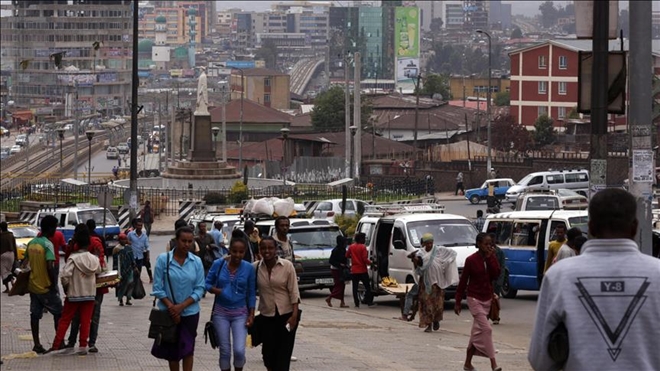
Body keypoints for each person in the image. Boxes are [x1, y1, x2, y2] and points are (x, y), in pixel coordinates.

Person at [529, 188, 660, 370]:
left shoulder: (559, 276)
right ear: (635, 227)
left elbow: (540, 360)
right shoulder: (657, 274)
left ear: (590, 227)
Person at [151, 226, 205, 371]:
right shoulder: (164, 259)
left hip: (190, 313)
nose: (186, 244)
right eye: (183, 241)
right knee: (171, 350)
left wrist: (181, 307)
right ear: (176, 241)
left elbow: (200, 288)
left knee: (188, 348)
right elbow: (157, 288)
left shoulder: (196, 262)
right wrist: (172, 307)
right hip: (168, 313)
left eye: (190, 241)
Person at [47, 225, 102, 355]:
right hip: (89, 294)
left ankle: (56, 344)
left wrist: (66, 288)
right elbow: (99, 270)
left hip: (74, 294)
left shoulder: (73, 258)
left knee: (65, 319)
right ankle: (83, 346)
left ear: (77, 243)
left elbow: (65, 275)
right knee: (86, 321)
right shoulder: (94, 259)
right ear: (89, 244)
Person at [206, 232, 256, 371]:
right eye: (234, 251)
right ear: (229, 250)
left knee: (239, 350)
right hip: (221, 313)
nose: (237, 255)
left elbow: (251, 293)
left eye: (241, 252)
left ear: (245, 252)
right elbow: (207, 284)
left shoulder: (249, 268)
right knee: (225, 350)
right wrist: (219, 291)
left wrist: (251, 314)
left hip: (240, 314)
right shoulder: (219, 264)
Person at [454, 233, 502, 371]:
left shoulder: (490, 258)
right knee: (486, 329)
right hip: (474, 298)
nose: (489, 246)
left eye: (490, 244)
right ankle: (494, 363)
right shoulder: (471, 260)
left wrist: (491, 258)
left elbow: (496, 274)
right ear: (479, 244)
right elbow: (463, 281)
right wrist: (458, 300)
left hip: (487, 298)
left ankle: (467, 364)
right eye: (486, 244)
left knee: (476, 333)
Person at [255, 237, 301, 371]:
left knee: (283, 355)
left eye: (270, 248)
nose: (267, 251)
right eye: (263, 248)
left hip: (286, 316)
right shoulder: (256, 267)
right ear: (260, 250)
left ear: (276, 249)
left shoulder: (287, 266)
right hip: (266, 316)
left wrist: (294, 316)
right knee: (268, 355)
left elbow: (294, 292)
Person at [65, 219, 108, 353]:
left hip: (86, 286)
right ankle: (86, 343)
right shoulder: (79, 245)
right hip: (90, 286)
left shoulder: (90, 244)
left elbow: (98, 264)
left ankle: (81, 342)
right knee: (90, 316)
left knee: (80, 316)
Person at [22, 215, 63, 354]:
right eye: (55, 227)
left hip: (33, 286)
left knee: (35, 315)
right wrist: (52, 284)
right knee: (59, 312)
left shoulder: (32, 243)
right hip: (45, 287)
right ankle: (59, 342)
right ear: (51, 228)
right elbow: (50, 266)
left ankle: (37, 344)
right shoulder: (47, 244)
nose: (55, 230)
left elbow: (24, 264)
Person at [413, 233, 459, 332]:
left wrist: (446, 263)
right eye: (427, 243)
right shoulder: (420, 253)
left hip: (437, 282)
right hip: (426, 283)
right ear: (424, 244)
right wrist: (415, 261)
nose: (429, 245)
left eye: (431, 243)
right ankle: (428, 324)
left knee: (437, 304)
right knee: (426, 303)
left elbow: (452, 253)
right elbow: (419, 268)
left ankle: (436, 320)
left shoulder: (439, 250)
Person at [346, 232, 374, 308]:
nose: (365, 240)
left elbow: (347, 255)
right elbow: (365, 259)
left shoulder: (351, 247)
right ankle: (369, 302)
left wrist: (353, 258)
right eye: (364, 238)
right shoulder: (363, 247)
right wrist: (371, 263)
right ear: (361, 239)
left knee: (355, 288)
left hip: (354, 270)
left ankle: (356, 303)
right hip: (362, 270)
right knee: (367, 287)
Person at [326, 235, 349, 308]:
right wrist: (339, 264)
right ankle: (329, 297)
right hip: (336, 269)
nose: (346, 244)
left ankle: (342, 302)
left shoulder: (343, 249)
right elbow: (331, 261)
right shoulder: (335, 250)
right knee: (339, 285)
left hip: (342, 269)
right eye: (344, 242)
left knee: (343, 285)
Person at [113, 233, 135, 306]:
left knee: (130, 284)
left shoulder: (128, 247)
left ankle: (128, 299)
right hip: (120, 270)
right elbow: (115, 261)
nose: (124, 241)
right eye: (122, 239)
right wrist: (115, 271)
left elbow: (132, 258)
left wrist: (135, 267)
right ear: (119, 240)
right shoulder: (116, 249)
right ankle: (121, 300)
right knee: (121, 285)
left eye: (125, 239)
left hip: (129, 269)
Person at [488, 233, 506, 325]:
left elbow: (502, 267)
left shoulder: (499, 252)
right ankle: (486, 316)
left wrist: (500, 281)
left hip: (496, 280)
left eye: (492, 241)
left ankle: (495, 316)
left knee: (495, 300)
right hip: (487, 280)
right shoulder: (485, 252)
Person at [0, 222, 17, 293]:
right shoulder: (11, 235)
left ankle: (7, 288)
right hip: (11, 254)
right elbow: (14, 246)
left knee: (4, 272)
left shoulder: (0, 236)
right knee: (9, 270)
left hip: (2, 254)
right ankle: (13, 284)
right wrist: (16, 256)